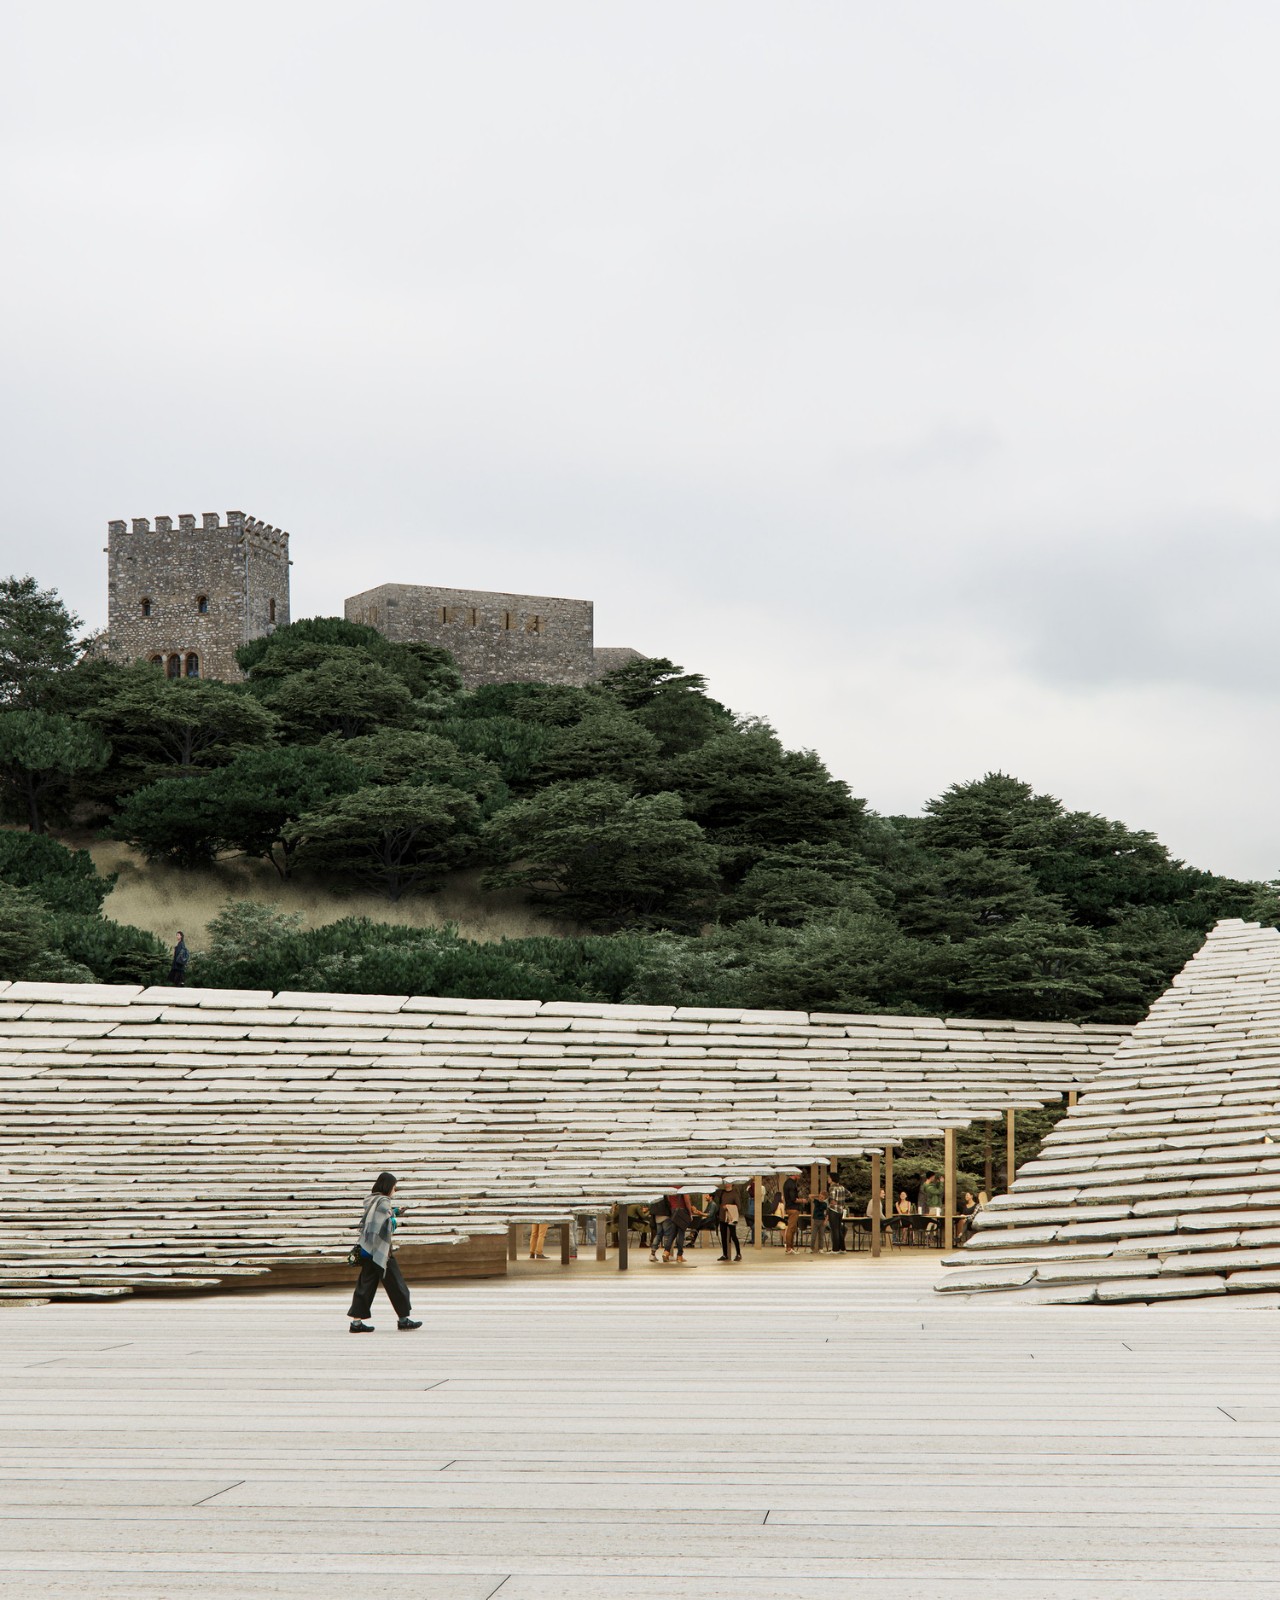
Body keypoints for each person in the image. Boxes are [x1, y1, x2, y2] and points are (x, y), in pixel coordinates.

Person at [348, 1171, 422, 1333]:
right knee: (397, 1285)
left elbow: (376, 1220)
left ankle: (356, 1323)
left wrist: (394, 1212)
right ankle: (403, 1320)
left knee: (365, 1285)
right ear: (388, 1187)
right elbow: (386, 1225)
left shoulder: (371, 1200)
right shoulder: (383, 1202)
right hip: (382, 1252)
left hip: (368, 1250)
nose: (394, 1191)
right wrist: (394, 1220)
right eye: (394, 1188)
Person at [662, 1189, 693, 1264]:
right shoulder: (682, 1187)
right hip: (681, 1211)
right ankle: (679, 1255)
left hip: (673, 1211)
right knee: (681, 1233)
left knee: (672, 1233)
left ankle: (666, 1252)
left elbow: (669, 1200)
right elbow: (687, 1201)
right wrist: (690, 1212)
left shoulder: (671, 1187)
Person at [714, 1181, 743, 1261]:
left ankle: (738, 1253)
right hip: (722, 1217)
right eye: (725, 1182)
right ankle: (725, 1254)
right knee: (723, 1237)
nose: (726, 1184)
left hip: (731, 1218)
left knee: (733, 1236)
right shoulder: (722, 1193)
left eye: (728, 1182)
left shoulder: (734, 1194)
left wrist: (728, 1207)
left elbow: (739, 1207)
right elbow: (714, 1192)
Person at [826, 1176, 848, 1252]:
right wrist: (842, 1201)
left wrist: (831, 1202)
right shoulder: (842, 1187)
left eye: (829, 1178)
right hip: (840, 1211)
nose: (828, 1179)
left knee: (834, 1230)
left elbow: (832, 1199)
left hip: (833, 1210)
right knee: (839, 1230)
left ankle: (835, 1249)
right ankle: (842, 1248)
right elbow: (849, 1194)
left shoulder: (832, 1187)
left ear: (832, 1179)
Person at [782, 1173, 802, 1253]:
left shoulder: (787, 1183)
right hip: (793, 1208)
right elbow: (793, 1198)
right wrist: (802, 1200)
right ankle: (789, 1247)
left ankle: (791, 1247)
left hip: (789, 1207)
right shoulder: (791, 1184)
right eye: (799, 1175)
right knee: (791, 1228)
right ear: (795, 1174)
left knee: (793, 1228)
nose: (799, 1177)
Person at [648, 1195, 670, 1262]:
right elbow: (668, 1203)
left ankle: (652, 1254)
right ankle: (665, 1254)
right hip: (666, 1215)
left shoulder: (655, 1194)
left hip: (657, 1216)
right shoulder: (665, 1193)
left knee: (658, 1234)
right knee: (667, 1235)